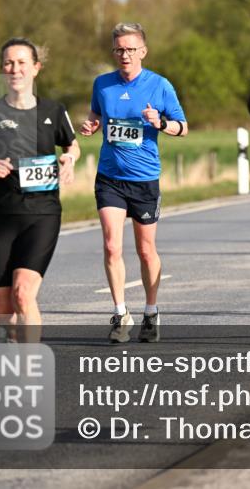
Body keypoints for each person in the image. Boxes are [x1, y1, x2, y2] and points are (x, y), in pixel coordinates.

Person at [0, 38, 80, 342]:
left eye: (22, 62)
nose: (15, 68)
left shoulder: (54, 110)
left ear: (36, 68)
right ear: (2, 69)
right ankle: (15, 340)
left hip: (42, 214)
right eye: (9, 63)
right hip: (1, 215)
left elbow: (72, 144)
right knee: (3, 312)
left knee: (23, 293)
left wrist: (69, 158)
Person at [80, 22, 188, 344]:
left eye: (130, 49)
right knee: (112, 245)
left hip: (144, 179)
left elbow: (183, 127)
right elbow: (97, 116)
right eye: (119, 49)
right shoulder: (103, 84)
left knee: (145, 250)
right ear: (113, 52)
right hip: (110, 177)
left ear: (143, 51)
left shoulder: (160, 85)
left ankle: (151, 312)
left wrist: (162, 122)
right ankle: (119, 312)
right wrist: (91, 125)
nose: (124, 54)